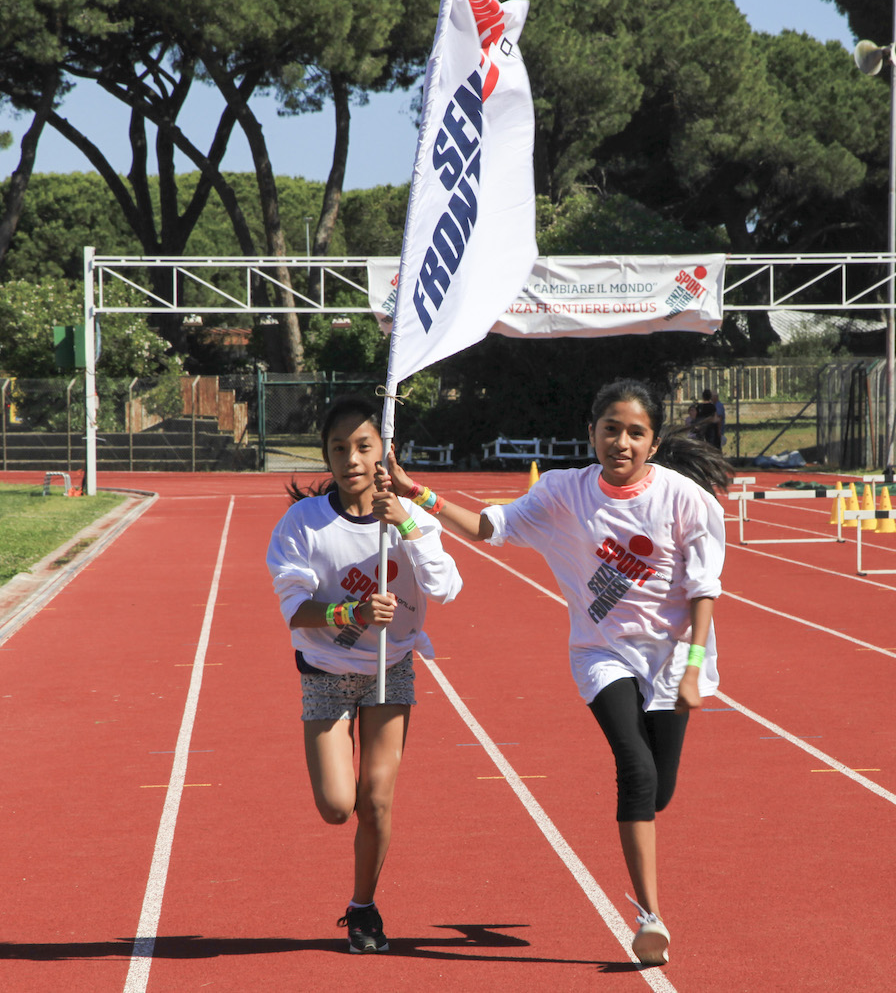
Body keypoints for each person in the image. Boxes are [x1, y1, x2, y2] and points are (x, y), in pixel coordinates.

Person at [378, 379, 728, 967]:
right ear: (591, 433)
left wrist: (692, 671)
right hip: (601, 653)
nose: (621, 442)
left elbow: (704, 590)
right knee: (637, 771)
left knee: (659, 791)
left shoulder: (686, 499)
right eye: (610, 429)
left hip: (672, 658)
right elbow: (489, 527)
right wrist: (416, 492)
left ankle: (645, 859)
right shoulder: (565, 491)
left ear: (653, 443)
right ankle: (650, 917)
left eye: (635, 433)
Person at [265, 394, 463, 954]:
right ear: (326, 457)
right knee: (337, 806)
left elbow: (447, 588)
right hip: (327, 669)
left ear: (384, 452)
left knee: (376, 800)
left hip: (388, 667)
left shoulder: (411, 519)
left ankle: (362, 908)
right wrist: (348, 612)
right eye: (338, 448)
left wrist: (408, 526)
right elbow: (294, 610)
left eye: (363, 446)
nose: (351, 459)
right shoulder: (303, 523)